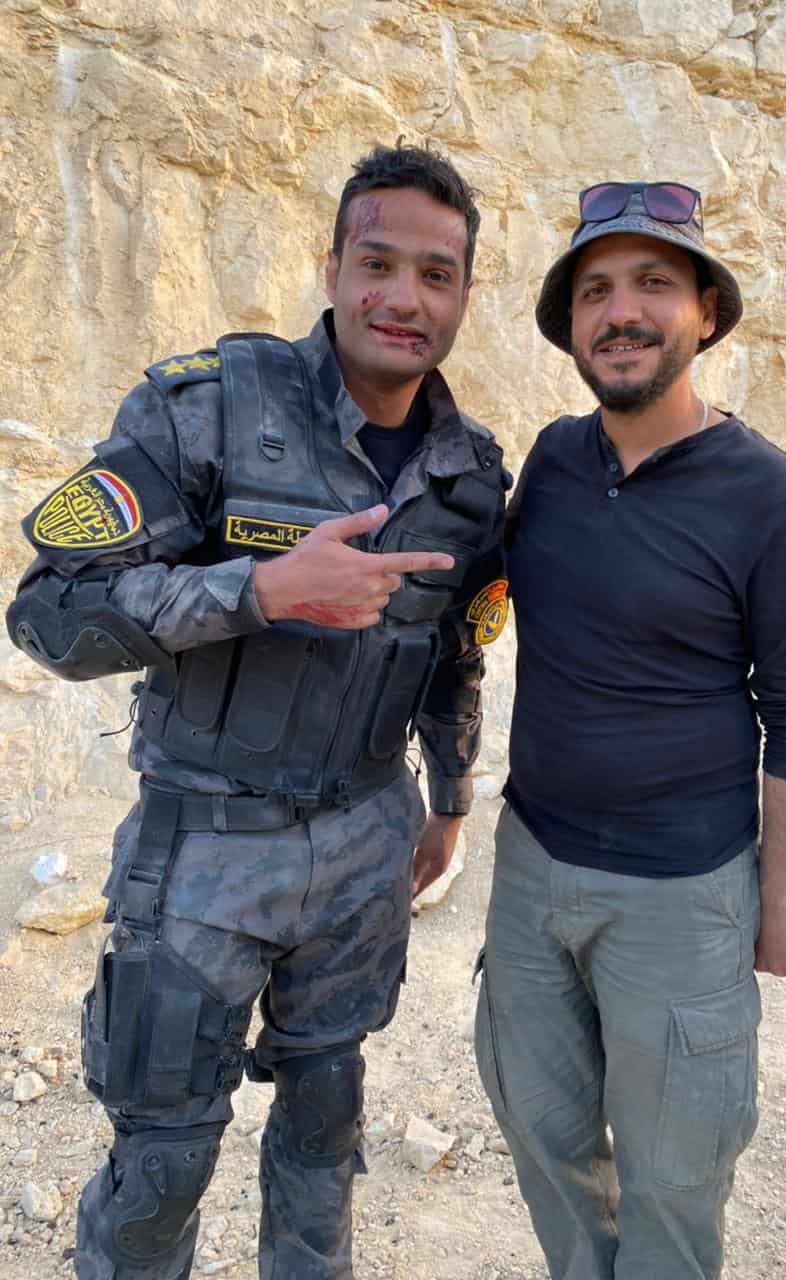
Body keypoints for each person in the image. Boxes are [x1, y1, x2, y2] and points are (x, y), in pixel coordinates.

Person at [7, 142, 510, 1280]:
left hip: (367, 844)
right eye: (377, 263)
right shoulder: (208, 408)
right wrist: (259, 590)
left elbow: (455, 654)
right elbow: (47, 613)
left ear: (463, 296)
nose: (404, 296)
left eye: (435, 274)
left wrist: (449, 797)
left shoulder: (471, 474)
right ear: (332, 269)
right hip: (205, 850)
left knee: (325, 1129)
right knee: (164, 1160)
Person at [474, 180, 786, 1280]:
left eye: (652, 284)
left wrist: (779, 901)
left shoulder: (780, 502)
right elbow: (474, 600)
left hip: (682, 897)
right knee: (540, 1131)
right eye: (594, 291)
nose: (620, 312)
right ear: (570, 324)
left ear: (705, 313)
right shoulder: (552, 459)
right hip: (530, 867)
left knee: (676, 1175)